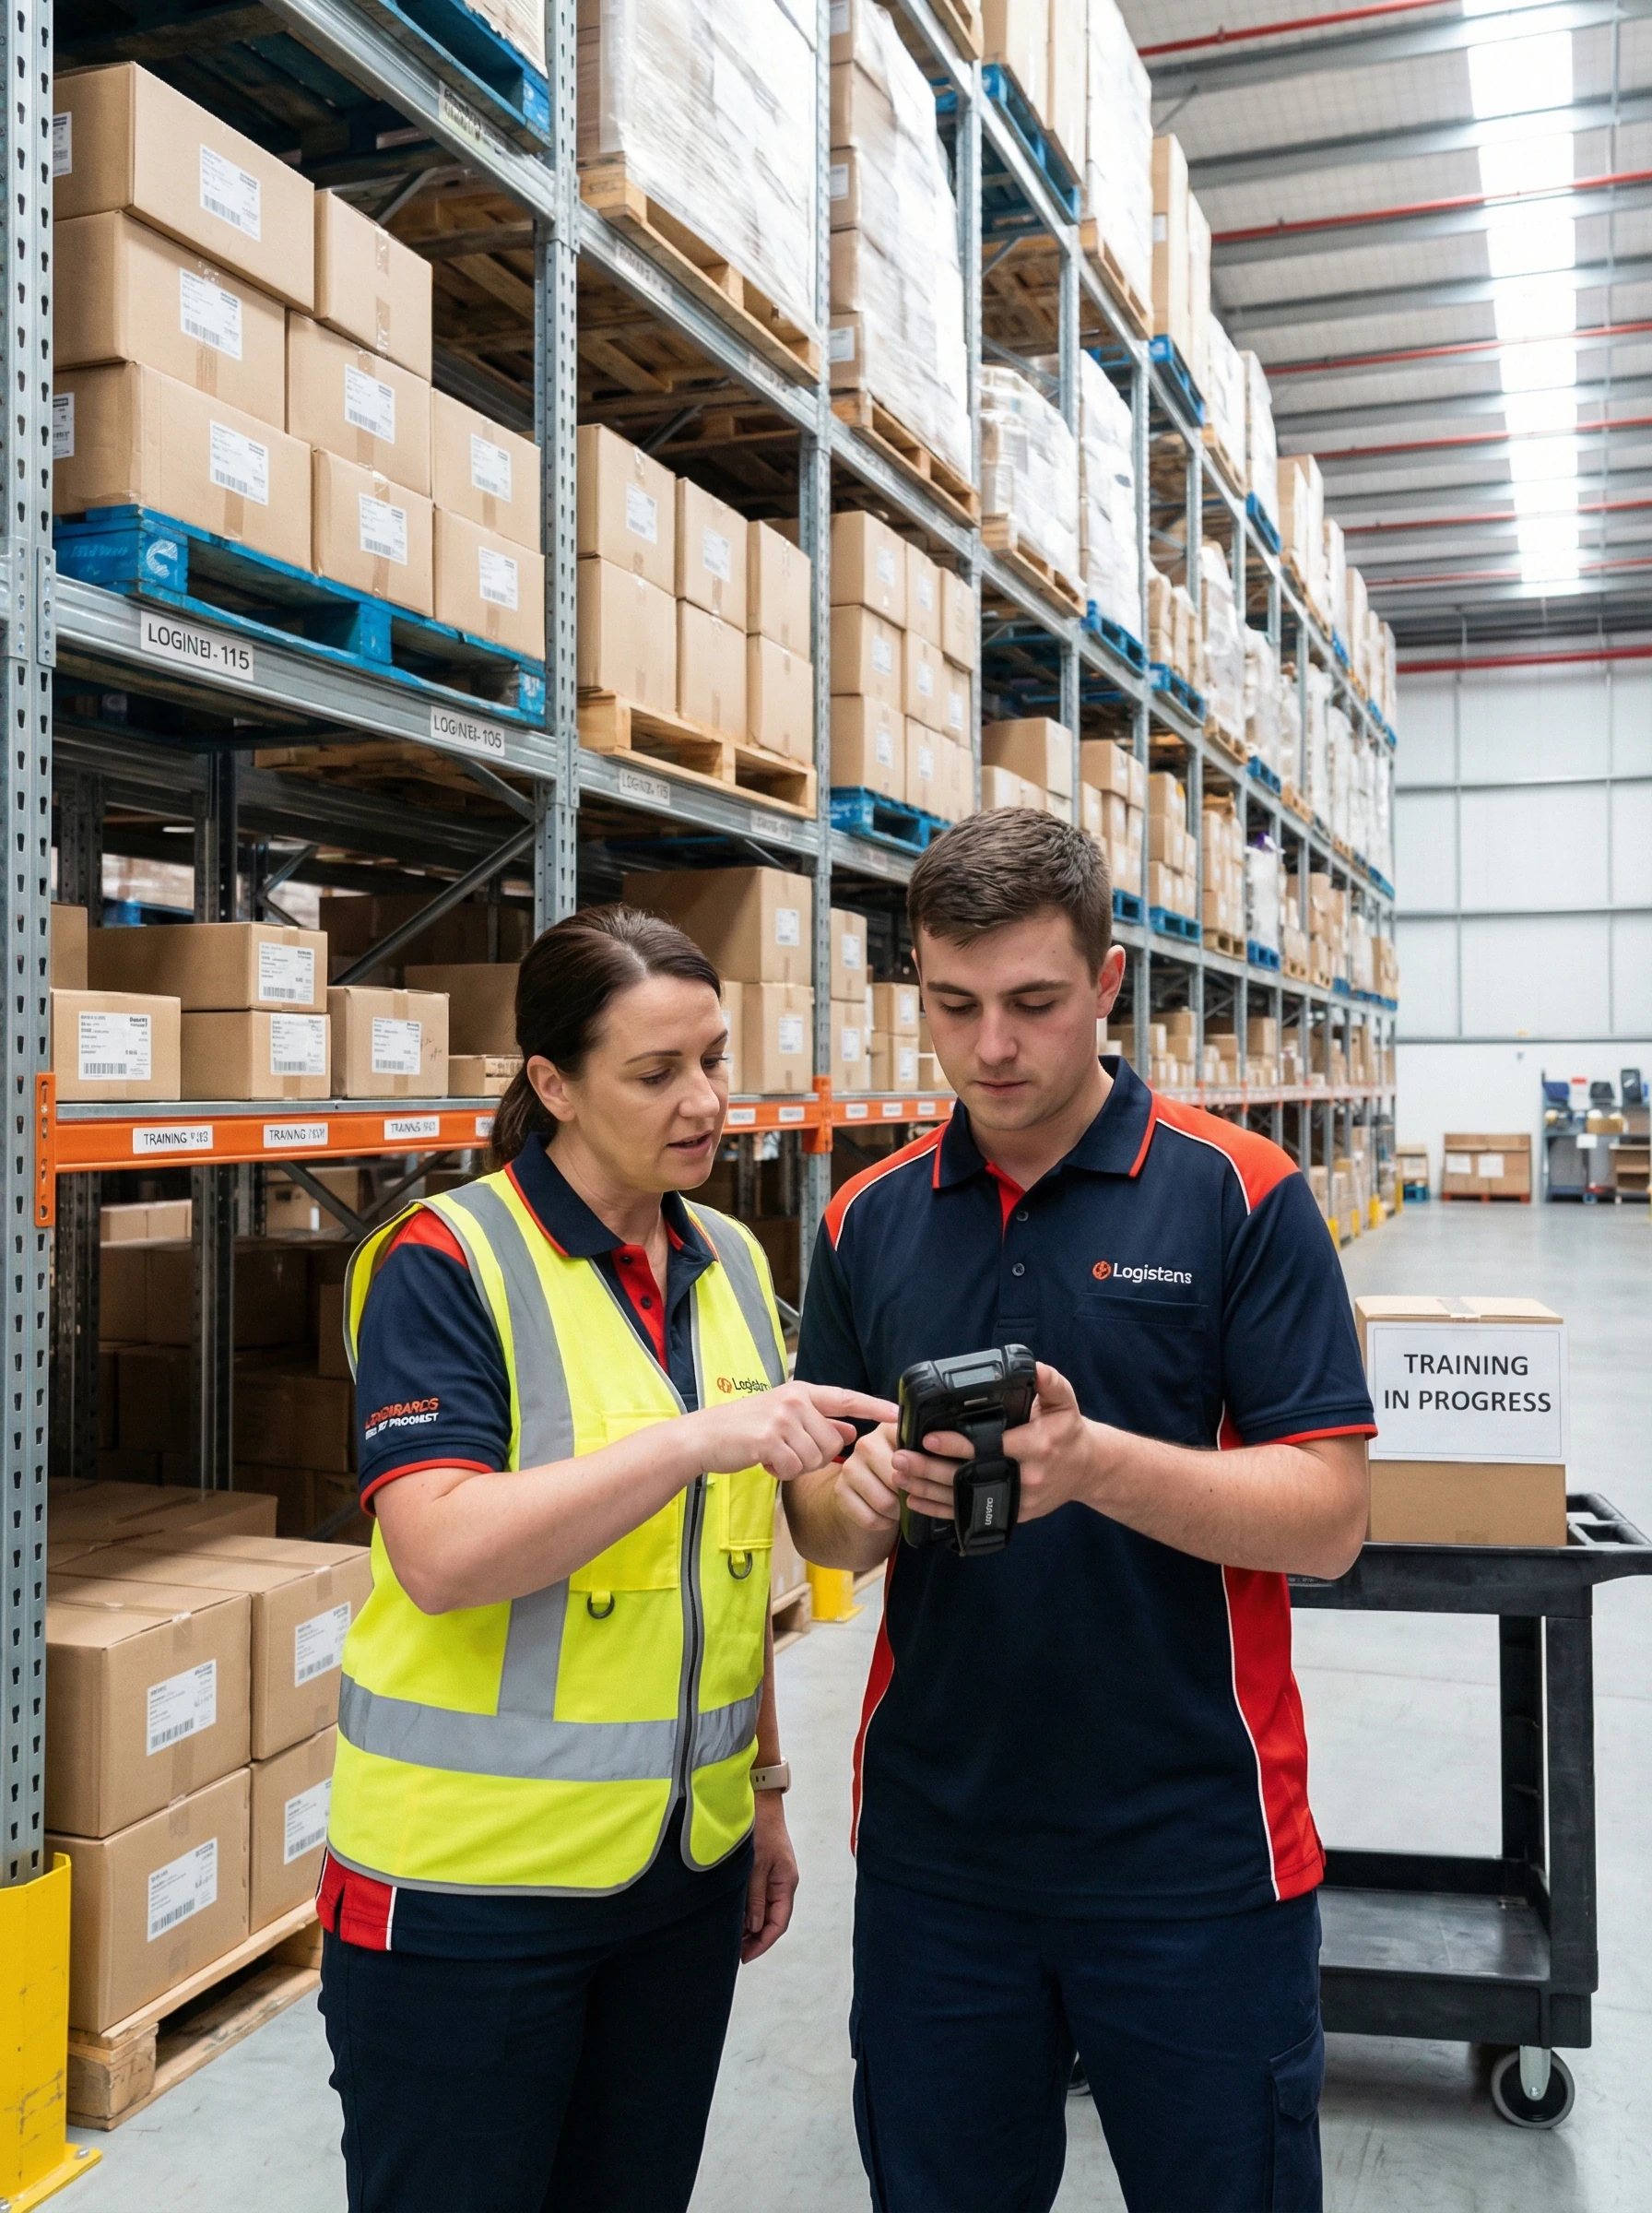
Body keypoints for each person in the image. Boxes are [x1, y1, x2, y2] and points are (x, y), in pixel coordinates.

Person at [785, 809, 1375, 2213]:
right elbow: (817, 1519)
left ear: (1108, 987)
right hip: (942, 1856)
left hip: (1193, 1854)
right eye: (953, 1004)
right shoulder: (867, 1218)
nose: (992, 1047)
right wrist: (853, 1500)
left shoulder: (1240, 1195)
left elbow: (1330, 1516)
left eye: (1035, 1004)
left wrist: (1097, 1463)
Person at [316, 904, 895, 2213]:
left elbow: (778, 1546)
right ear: (552, 1086)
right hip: (467, 1891)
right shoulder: (445, 1261)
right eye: (655, 1073)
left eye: (713, 1059)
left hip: (675, 1877)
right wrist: (697, 1439)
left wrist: (893, 1491)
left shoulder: (732, 1263)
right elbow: (443, 1552)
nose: (704, 1102)